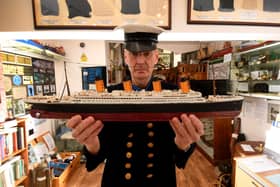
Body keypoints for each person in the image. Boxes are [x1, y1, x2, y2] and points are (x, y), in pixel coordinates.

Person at [66, 24, 204, 187]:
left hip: (159, 180)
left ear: (156, 57)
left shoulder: (177, 95)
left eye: (146, 54)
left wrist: (184, 145)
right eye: (134, 54)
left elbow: (180, 159)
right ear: (125, 57)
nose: (140, 61)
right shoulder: (106, 95)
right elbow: (95, 157)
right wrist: (92, 145)